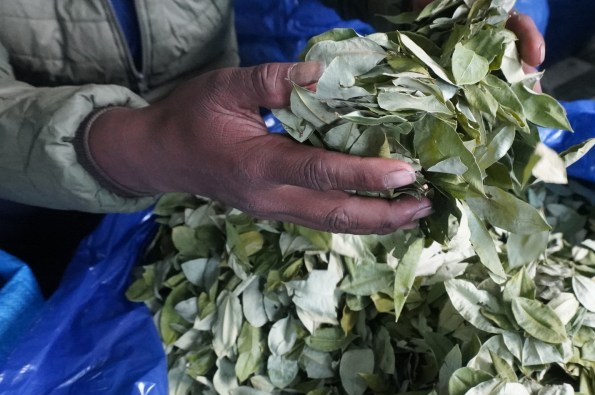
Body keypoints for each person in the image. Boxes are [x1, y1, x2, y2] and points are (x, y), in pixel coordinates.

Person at [0, 0, 545, 292]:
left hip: (228, 134)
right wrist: (146, 145)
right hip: (40, 180)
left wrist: (434, 7)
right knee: (64, 292)